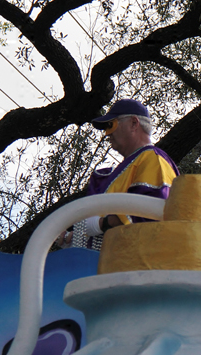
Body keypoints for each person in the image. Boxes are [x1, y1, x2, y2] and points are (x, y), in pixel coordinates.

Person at [58, 99, 179, 249]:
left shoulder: (152, 159)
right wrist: (74, 241)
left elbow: (152, 212)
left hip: (132, 266)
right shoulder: (124, 169)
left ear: (134, 123)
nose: (107, 134)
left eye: (111, 125)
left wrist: (102, 223)